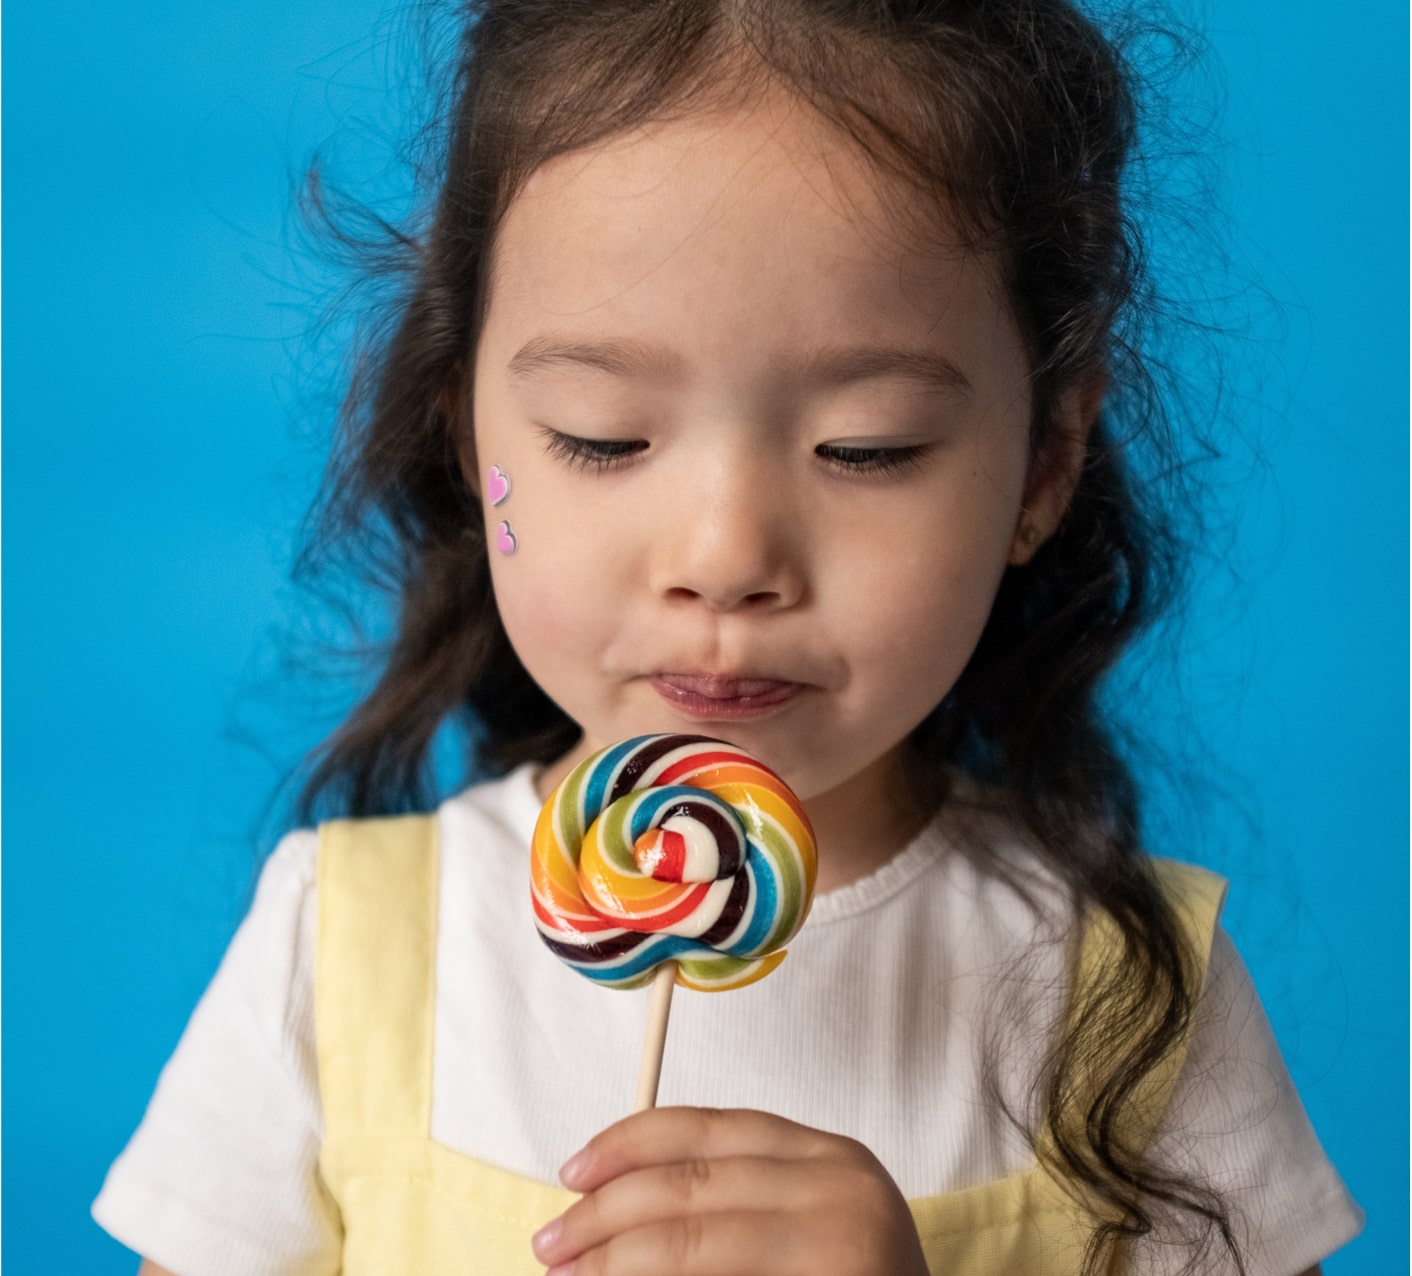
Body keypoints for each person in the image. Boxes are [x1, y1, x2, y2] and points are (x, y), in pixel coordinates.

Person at [93, 2, 1364, 1274]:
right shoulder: (345, 951)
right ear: (468, 441)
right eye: (602, 434)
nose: (723, 557)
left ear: (1044, 466)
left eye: (865, 448)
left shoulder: (1136, 999)